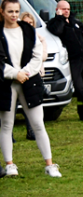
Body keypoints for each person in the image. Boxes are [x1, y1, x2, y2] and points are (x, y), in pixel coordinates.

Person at [0, 0, 61, 178]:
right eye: (10, 11)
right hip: (6, 84)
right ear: (2, 12)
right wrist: (14, 74)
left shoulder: (27, 29)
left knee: (38, 124)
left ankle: (50, 164)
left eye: (17, 11)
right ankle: (10, 164)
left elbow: (37, 56)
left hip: (29, 82)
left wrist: (24, 73)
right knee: (6, 125)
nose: (14, 15)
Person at [47, 0, 83, 121]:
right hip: (73, 60)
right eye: (64, 9)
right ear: (57, 10)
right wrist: (59, 18)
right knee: (79, 86)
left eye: (68, 9)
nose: (67, 11)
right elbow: (57, 31)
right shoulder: (54, 23)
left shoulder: (75, 23)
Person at [19, 12, 46, 141]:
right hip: (17, 75)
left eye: (30, 23)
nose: (28, 25)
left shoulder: (37, 37)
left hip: (32, 74)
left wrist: (37, 67)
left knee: (32, 104)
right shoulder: (15, 37)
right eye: (26, 23)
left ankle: (31, 131)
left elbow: (42, 56)